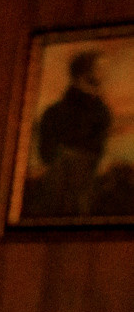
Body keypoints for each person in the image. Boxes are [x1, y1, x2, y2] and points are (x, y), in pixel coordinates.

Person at [31, 50, 111, 218]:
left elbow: (97, 153)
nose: (105, 74)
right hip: (57, 193)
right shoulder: (53, 113)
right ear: (84, 73)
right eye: (100, 68)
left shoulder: (102, 112)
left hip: (83, 191)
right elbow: (46, 154)